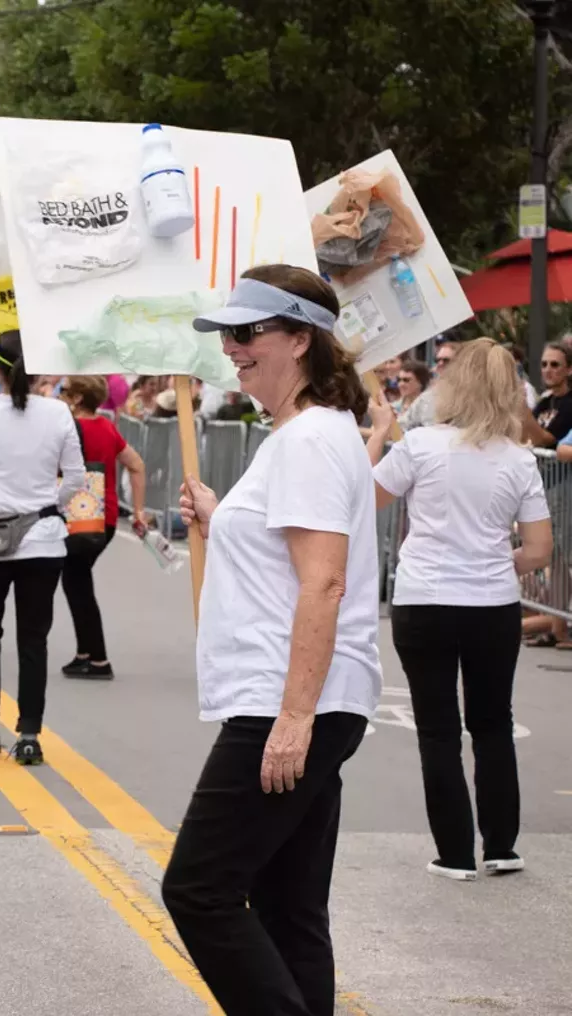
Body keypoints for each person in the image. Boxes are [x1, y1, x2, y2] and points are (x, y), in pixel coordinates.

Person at [160, 266, 380, 1016]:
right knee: (288, 909)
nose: (232, 347)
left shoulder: (310, 440)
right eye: (228, 333)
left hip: (286, 702)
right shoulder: (302, 434)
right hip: (307, 698)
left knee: (199, 889)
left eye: (249, 332)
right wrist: (222, 518)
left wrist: (293, 717)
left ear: (300, 339)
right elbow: (292, 563)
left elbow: (323, 583)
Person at [367, 340, 552, 881]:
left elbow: (366, 497)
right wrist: (493, 561)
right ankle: (501, 846)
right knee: (493, 722)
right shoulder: (519, 459)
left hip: (424, 597)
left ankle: (453, 852)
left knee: (437, 728)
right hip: (491, 602)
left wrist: (379, 433)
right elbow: (540, 550)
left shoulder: (421, 444)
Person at [0, 330, 85, 763]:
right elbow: (78, 479)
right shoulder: (59, 413)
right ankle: (29, 735)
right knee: (34, 640)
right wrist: (49, 505)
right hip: (44, 540)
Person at [60, 375, 150, 679]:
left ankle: (98, 658)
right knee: (77, 582)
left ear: (76, 399)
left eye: (65, 392)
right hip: (106, 516)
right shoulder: (107, 427)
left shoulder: (70, 429)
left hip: (79, 516)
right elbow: (136, 465)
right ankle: (86, 652)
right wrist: (137, 510)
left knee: (77, 584)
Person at [522, 338, 572, 448]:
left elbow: (546, 440)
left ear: (569, 369)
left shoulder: (569, 404)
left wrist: (522, 407)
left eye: (554, 365)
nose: (547, 370)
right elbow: (524, 437)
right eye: (544, 364)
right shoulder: (545, 402)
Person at [399, 338, 458, 431]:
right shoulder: (427, 397)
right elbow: (402, 425)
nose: (440, 363)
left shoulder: (470, 396)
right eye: (437, 360)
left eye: (446, 360)